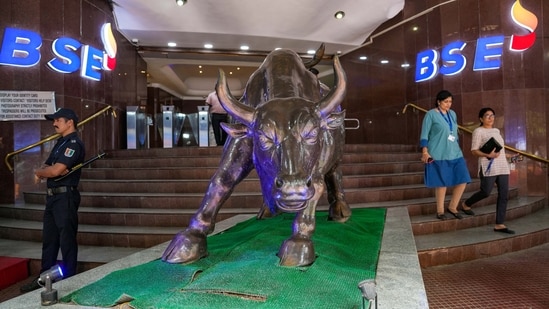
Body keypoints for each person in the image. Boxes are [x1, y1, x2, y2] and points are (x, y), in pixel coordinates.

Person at [20, 108, 85, 293]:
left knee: (66, 240)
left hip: (66, 197)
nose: (54, 123)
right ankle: (43, 279)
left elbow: (53, 171)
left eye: (58, 120)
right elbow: (49, 167)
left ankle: (70, 280)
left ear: (69, 122)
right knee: (49, 240)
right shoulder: (60, 143)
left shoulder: (74, 144)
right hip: (53, 197)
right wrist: (48, 170)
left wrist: (42, 173)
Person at [462, 107, 520, 234]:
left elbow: (500, 151)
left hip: (502, 167)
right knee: (485, 192)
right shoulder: (478, 131)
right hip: (488, 166)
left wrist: (510, 156)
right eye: (487, 115)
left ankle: (499, 223)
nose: (490, 118)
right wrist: (488, 155)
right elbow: (474, 151)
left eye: (492, 115)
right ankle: (466, 204)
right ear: (481, 118)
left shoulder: (496, 131)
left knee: (504, 195)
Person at [420, 90, 471, 220]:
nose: (449, 104)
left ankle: (453, 207)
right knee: (442, 183)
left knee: (463, 179)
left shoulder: (452, 114)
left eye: (450, 102)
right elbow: (424, 134)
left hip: (455, 152)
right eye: (446, 101)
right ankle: (440, 211)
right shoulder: (430, 115)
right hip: (438, 153)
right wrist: (425, 152)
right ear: (438, 101)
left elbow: (454, 132)